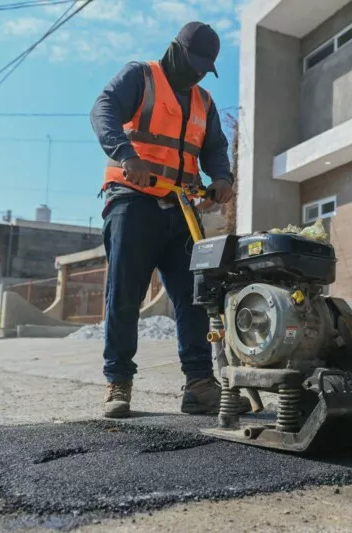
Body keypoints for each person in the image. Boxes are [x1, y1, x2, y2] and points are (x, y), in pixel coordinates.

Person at [89, 21, 251, 418]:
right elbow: (103, 109)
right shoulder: (140, 76)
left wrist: (223, 179)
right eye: (194, 63)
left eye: (204, 68)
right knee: (125, 296)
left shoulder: (204, 102)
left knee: (194, 298)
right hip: (133, 200)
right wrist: (128, 156)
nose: (197, 72)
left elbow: (214, 146)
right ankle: (118, 383)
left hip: (181, 207)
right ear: (175, 50)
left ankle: (198, 385)